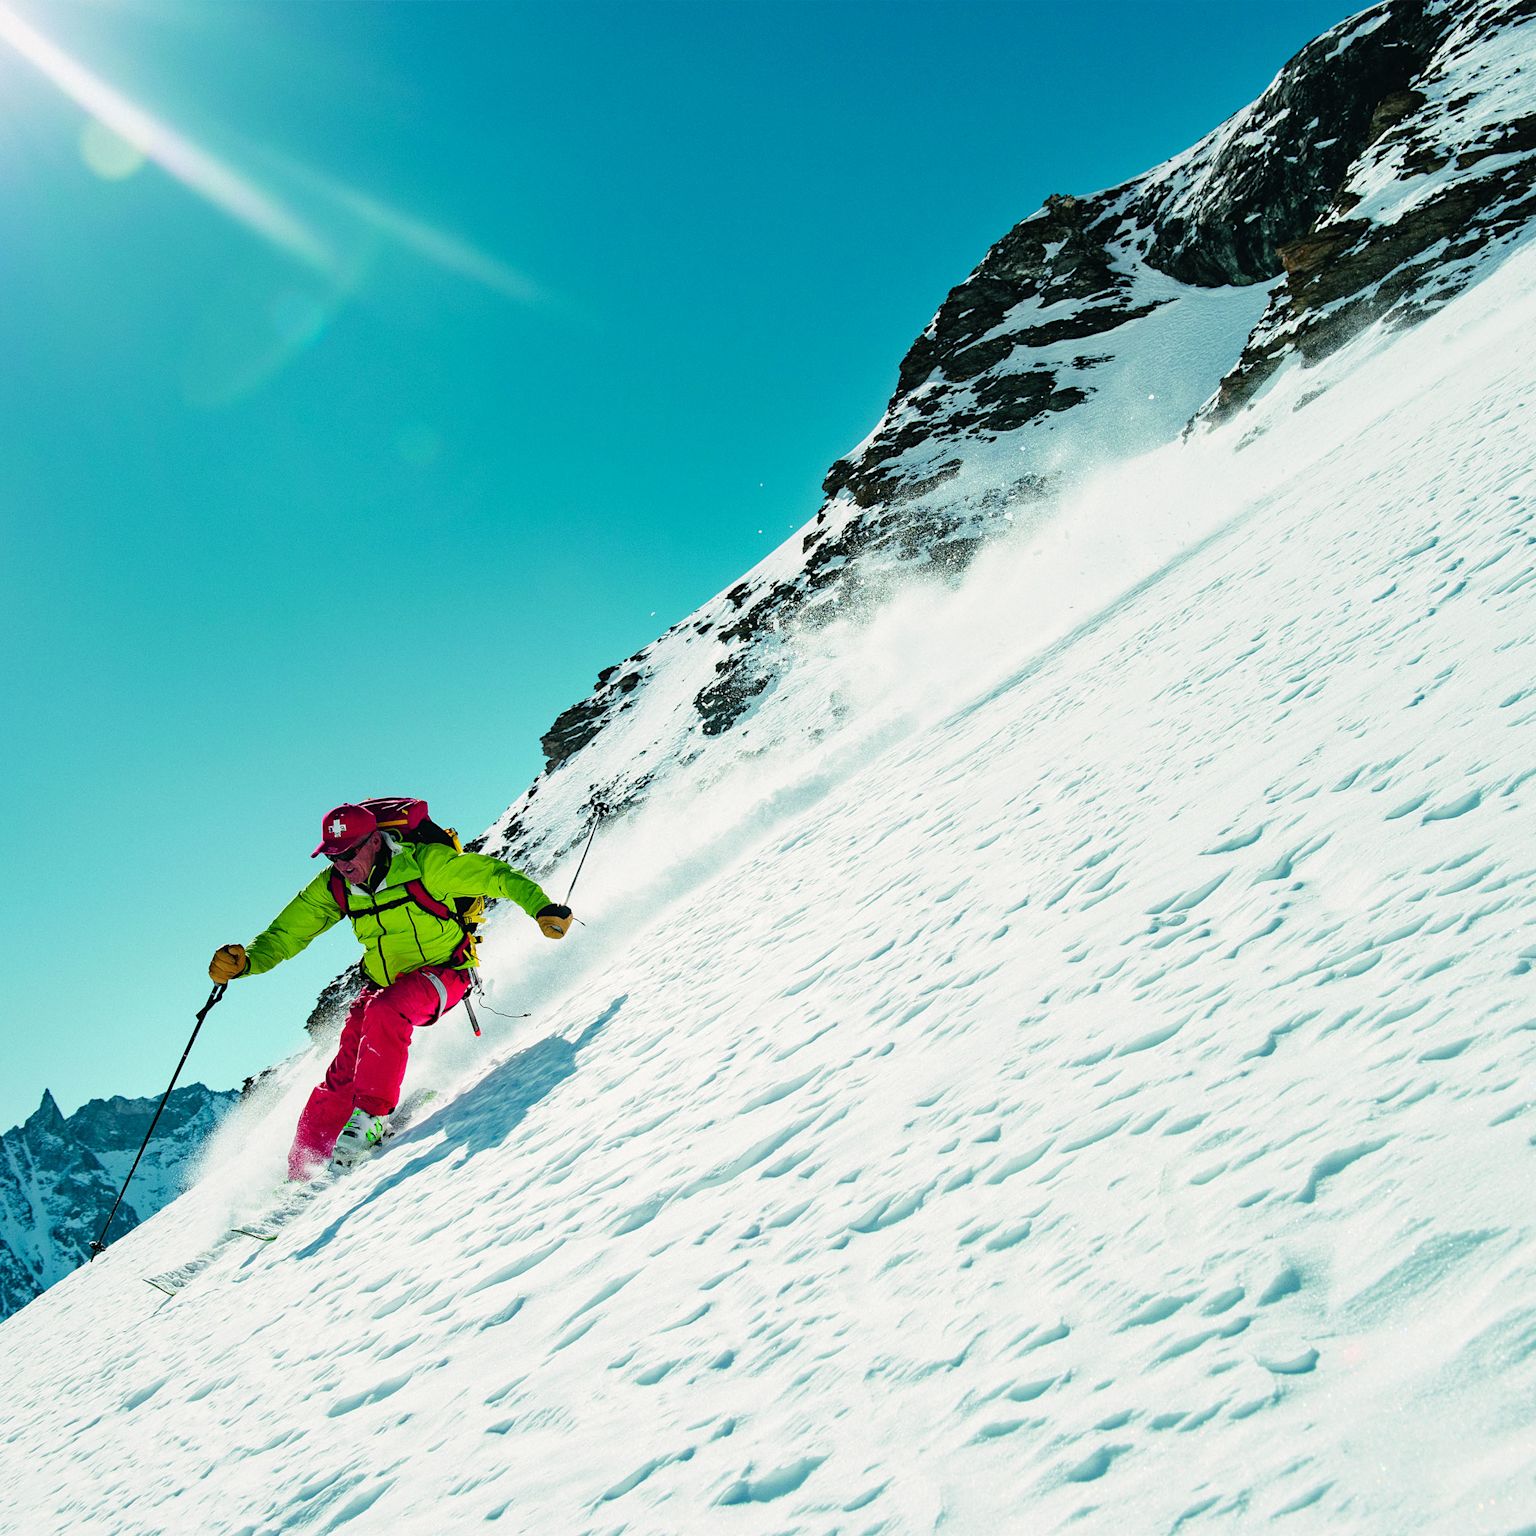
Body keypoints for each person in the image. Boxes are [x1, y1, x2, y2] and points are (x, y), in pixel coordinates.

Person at [209, 802, 571, 1179]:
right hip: (385, 984)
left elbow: (496, 876)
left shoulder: (426, 865)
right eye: (331, 855)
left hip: (446, 973)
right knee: (344, 1068)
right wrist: (246, 962)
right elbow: (287, 934)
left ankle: (371, 1119)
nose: (341, 863)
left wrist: (541, 908)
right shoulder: (336, 887)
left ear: (375, 843)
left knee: (386, 1011)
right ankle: (303, 1168)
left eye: (349, 852)